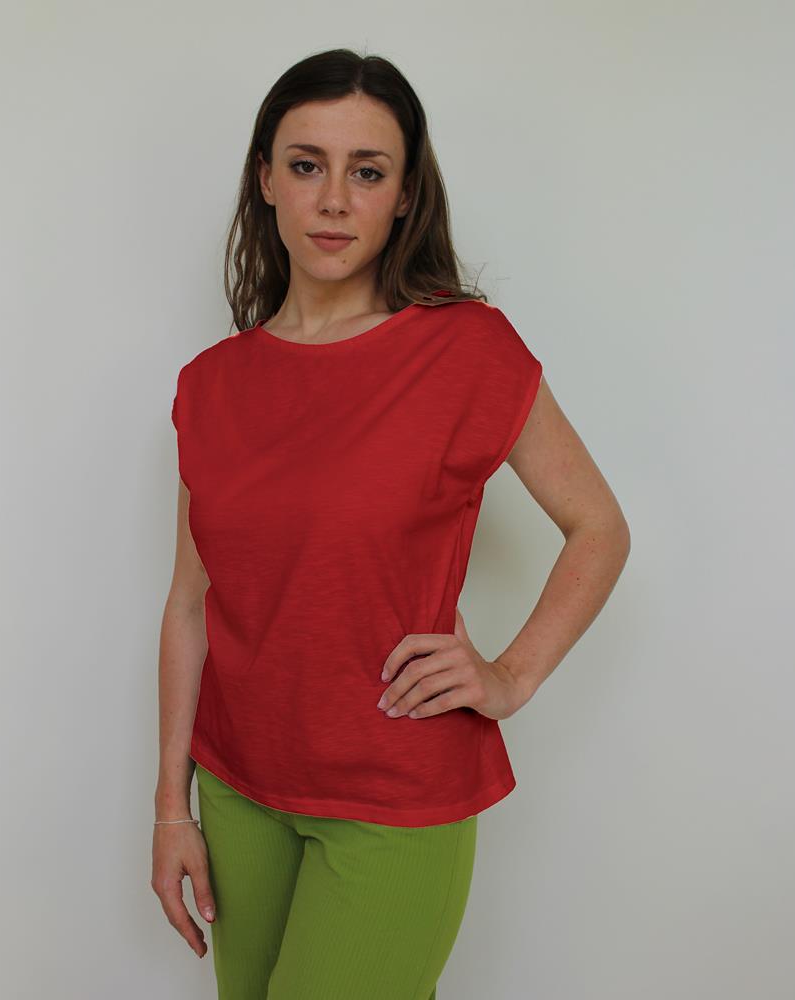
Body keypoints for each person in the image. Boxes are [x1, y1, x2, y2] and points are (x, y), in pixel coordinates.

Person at [151, 48, 631, 1000]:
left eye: (367, 172)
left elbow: (598, 527)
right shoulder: (210, 385)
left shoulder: (466, 349)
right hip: (237, 786)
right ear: (266, 179)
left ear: (406, 195)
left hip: (395, 793)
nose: (334, 199)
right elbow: (190, 604)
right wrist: (173, 806)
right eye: (307, 165)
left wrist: (509, 675)